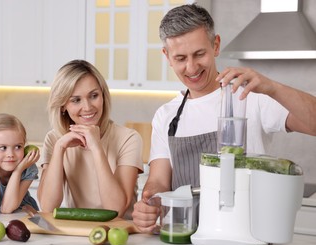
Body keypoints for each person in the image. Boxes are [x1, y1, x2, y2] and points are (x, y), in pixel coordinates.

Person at [132, 4, 316, 232]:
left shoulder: (252, 95)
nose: (191, 67)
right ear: (167, 56)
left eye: (199, 54)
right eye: (180, 58)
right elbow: (159, 181)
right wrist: (151, 202)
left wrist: (273, 88)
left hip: (247, 235)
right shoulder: (166, 116)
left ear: (215, 45)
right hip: (185, 240)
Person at [37, 59, 143, 219]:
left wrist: (96, 147)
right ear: (63, 105)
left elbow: (116, 210)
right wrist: (59, 149)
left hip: (121, 236)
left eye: (93, 96)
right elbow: (47, 207)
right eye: (76, 100)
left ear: (103, 96)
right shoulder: (54, 140)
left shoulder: (128, 139)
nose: (87, 107)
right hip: (77, 234)